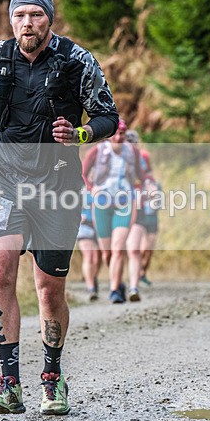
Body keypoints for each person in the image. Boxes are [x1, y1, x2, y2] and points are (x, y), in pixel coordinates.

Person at [0, 0, 119, 416]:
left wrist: (81, 134)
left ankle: (52, 378)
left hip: (59, 182)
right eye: (19, 15)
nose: (27, 23)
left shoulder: (77, 61)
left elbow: (109, 115)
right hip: (3, 179)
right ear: (10, 19)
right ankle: (9, 385)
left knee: (49, 289)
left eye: (35, 15)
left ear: (49, 18)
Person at [82, 120, 144, 303]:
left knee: (118, 249)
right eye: (115, 134)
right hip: (101, 204)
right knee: (107, 253)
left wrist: (141, 187)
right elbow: (83, 173)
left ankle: (115, 290)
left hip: (124, 203)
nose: (118, 138)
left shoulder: (132, 151)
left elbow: (141, 176)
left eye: (122, 134)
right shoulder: (97, 151)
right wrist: (91, 187)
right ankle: (118, 281)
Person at [125, 129, 159, 287]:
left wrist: (152, 188)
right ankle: (135, 274)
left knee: (149, 243)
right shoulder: (120, 157)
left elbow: (149, 175)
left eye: (133, 141)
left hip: (146, 201)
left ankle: (142, 271)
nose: (131, 144)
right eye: (128, 141)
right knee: (134, 245)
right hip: (130, 202)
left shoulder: (143, 156)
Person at [76, 192, 101, 301]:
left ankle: (92, 277)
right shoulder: (75, 186)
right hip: (84, 225)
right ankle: (91, 288)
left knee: (97, 259)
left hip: (99, 226)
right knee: (88, 256)